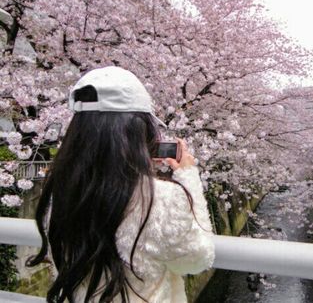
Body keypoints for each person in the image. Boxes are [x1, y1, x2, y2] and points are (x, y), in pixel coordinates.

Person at [26, 66, 216, 303]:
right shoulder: (160, 198)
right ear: (139, 134)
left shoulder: (59, 193)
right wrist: (189, 177)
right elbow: (198, 258)